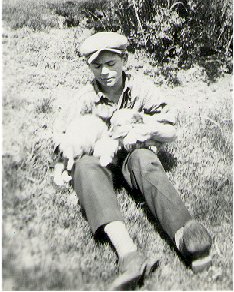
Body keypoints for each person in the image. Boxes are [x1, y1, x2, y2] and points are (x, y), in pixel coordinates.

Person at [53, 32, 212, 290]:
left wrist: (148, 129)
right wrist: (63, 161)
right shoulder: (84, 98)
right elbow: (60, 134)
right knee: (84, 167)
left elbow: (172, 130)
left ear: (124, 59)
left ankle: (187, 236)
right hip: (101, 162)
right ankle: (129, 255)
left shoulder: (143, 90)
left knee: (144, 160)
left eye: (111, 63)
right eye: (97, 66)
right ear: (89, 67)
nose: (104, 72)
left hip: (133, 157)